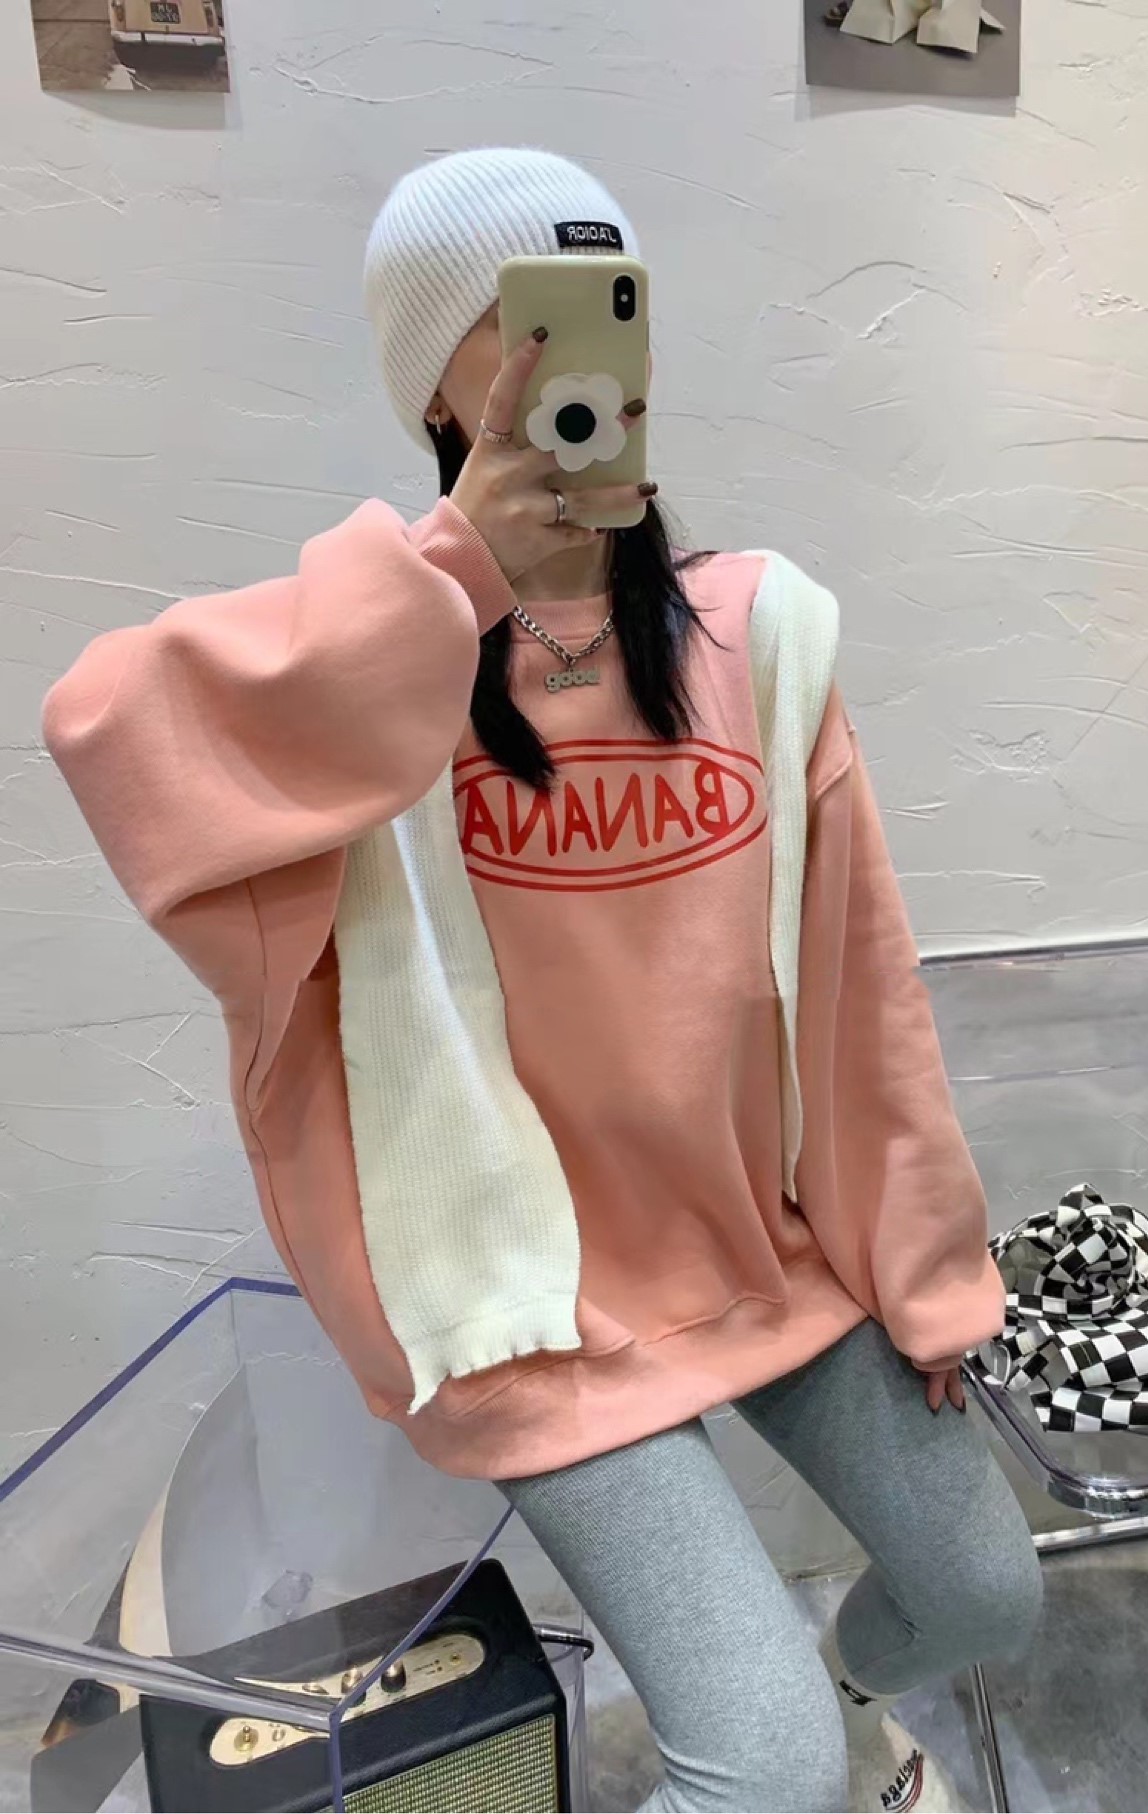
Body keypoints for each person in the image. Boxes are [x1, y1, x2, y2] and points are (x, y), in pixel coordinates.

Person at [43, 147, 1041, 1813]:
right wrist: (455, 580)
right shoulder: (369, 662)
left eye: (602, 300)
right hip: (535, 1308)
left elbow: (863, 995)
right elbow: (103, 728)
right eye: (518, 313)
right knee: (761, 1772)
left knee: (988, 1591)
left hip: (765, 1255)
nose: (572, 353)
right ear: (436, 383)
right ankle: (806, 1749)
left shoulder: (762, 634)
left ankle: (845, 1711)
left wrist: (931, 1273)